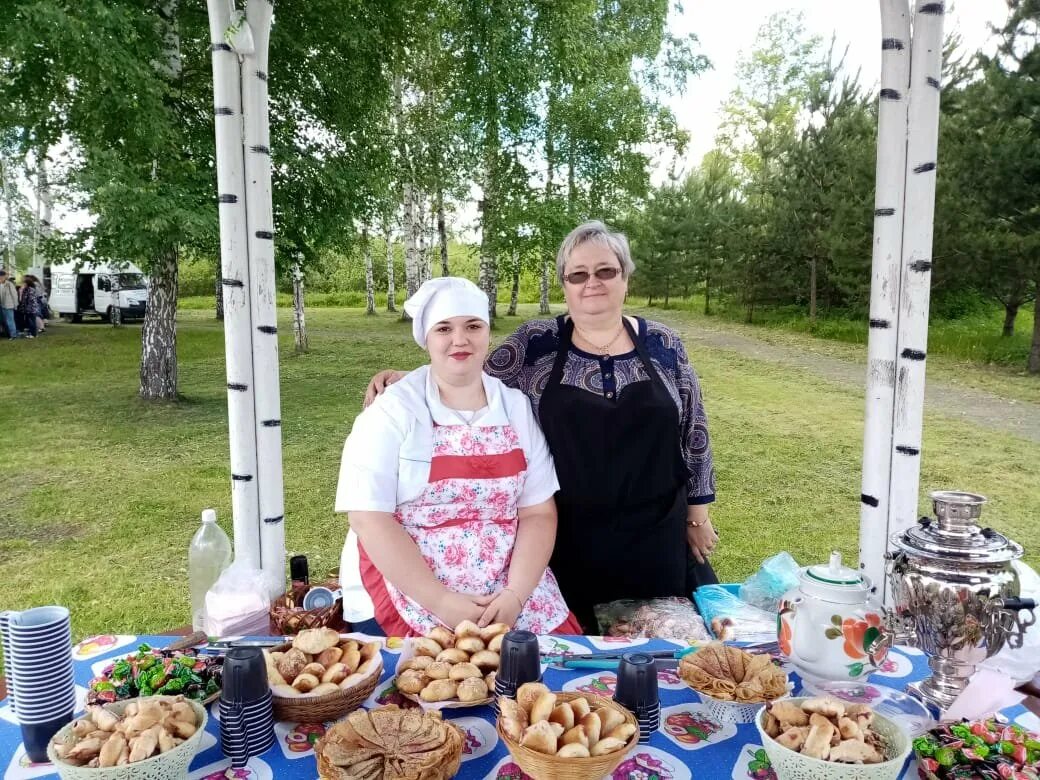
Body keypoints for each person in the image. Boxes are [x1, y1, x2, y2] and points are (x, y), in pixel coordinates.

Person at [366, 221, 720, 632]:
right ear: (564, 285)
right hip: (566, 537)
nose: (593, 283)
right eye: (578, 275)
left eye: (606, 271)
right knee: (575, 658)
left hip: (655, 536)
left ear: (625, 277)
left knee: (658, 653)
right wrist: (407, 379)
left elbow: (694, 428)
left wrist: (697, 516)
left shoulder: (664, 343)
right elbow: (469, 367)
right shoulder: (537, 343)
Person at [336, 276, 582, 637]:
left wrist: (514, 595)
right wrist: (442, 602)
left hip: (508, 582)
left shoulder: (514, 407)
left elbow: (538, 512)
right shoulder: (393, 411)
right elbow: (369, 519)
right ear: (426, 339)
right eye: (444, 328)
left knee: (551, 676)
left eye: (472, 325)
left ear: (487, 333)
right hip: (417, 585)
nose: (460, 339)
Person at [16, 275, 40, 339]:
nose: (22, 284)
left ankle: (34, 334)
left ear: (27, 283)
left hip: (31, 308)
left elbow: (30, 299)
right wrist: (21, 292)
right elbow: (22, 300)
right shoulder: (25, 290)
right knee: (29, 321)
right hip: (27, 308)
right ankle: (31, 333)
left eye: (23, 283)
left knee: (32, 321)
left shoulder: (31, 289)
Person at [0, 269, 17, 339]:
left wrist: (15, 305)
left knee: (10, 320)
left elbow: (14, 295)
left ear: (5, 276)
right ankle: (8, 334)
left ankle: (13, 335)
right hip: (2, 304)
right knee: (5, 321)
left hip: (9, 305)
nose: (1, 278)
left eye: (2, 276)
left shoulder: (9, 284)